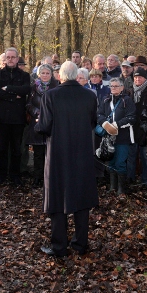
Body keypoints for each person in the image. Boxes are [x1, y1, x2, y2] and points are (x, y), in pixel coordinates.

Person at [35, 62, 98, 257]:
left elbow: (44, 126)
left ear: (60, 76)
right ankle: (80, 244)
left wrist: (38, 124)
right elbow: (92, 122)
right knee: (81, 195)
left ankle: (59, 246)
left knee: (57, 195)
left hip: (58, 154)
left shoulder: (51, 95)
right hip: (82, 152)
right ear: (76, 75)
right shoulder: (90, 96)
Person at [0, 47, 31, 185]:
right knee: (1, 148)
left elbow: (25, 89)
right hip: (1, 118)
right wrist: (14, 97)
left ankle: (15, 175)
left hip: (18, 118)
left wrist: (8, 89)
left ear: (17, 59)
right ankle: (0, 175)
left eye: (13, 57)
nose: (10, 59)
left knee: (16, 149)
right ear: (5, 59)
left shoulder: (24, 76)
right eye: (8, 57)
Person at [98, 77, 136, 196]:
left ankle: (121, 189)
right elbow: (99, 114)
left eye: (116, 86)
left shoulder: (127, 100)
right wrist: (105, 123)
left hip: (123, 137)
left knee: (120, 162)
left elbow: (132, 117)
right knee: (111, 162)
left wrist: (116, 125)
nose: (113, 88)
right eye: (111, 86)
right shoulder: (105, 100)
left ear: (122, 87)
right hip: (108, 137)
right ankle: (112, 186)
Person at [26, 64, 59, 187]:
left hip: (51, 124)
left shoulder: (57, 87)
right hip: (36, 123)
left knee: (51, 154)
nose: (45, 75)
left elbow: (59, 105)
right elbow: (28, 104)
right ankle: (37, 178)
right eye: (43, 73)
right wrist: (37, 112)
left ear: (51, 74)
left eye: (47, 73)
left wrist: (47, 114)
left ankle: (50, 178)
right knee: (38, 154)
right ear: (39, 74)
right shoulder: (33, 88)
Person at [128, 67, 147, 189]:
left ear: (145, 78)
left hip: (145, 130)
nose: (137, 79)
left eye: (140, 77)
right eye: (135, 77)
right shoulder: (129, 92)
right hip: (131, 130)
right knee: (131, 157)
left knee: (146, 158)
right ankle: (130, 180)